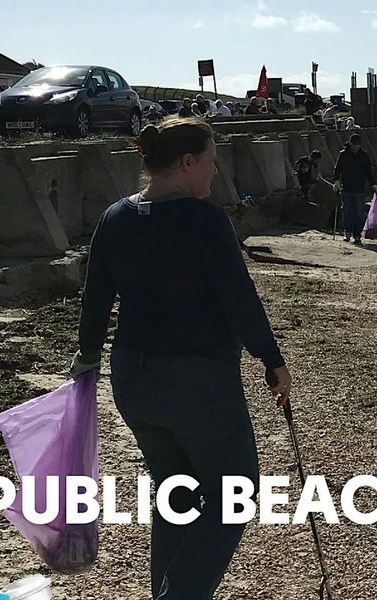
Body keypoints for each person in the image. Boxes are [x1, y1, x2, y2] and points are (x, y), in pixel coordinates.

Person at [70, 118, 291, 599]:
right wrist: (272, 360)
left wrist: (87, 360)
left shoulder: (115, 217)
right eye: (211, 160)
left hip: (133, 378)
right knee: (235, 495)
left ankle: (167, 592)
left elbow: (96, 298)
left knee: (177, 492)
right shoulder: (205, 219)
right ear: (187, 162)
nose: (214, 170)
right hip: (196, 379)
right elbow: (239, 298)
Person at [332, 133, 377, 245]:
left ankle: (357, 235)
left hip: (359, 188)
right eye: (354, 145)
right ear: (350, 144)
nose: (356, 147)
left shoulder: (364, 156)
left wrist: (373, 184)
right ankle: (347, 232)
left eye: (358, 145)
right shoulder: (343, 155)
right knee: (347, 211)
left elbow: (368, 171)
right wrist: (336, 181)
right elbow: (337, 169)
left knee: (358, 213)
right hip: (346, 188)